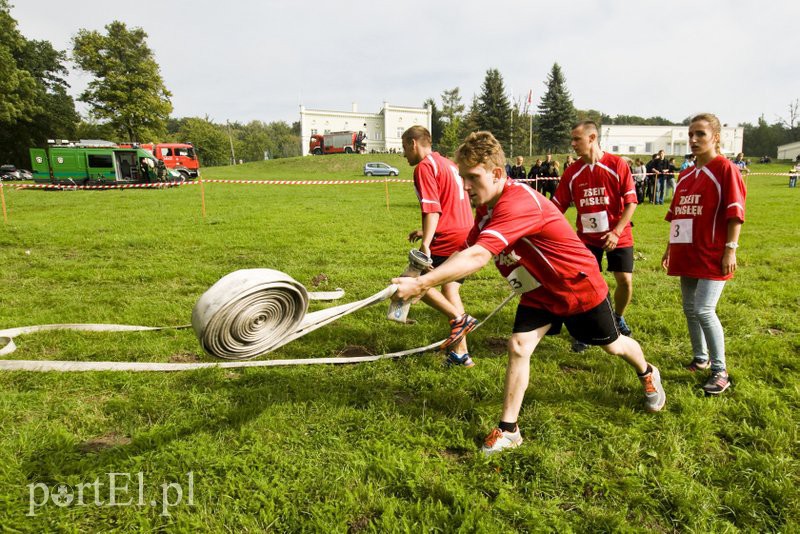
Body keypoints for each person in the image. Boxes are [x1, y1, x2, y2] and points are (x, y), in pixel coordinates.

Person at [392, 131, 666, 455]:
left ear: (496, 173)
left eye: (473, 177)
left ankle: (648, 372)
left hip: (577, 288)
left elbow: (479, 256)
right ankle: (509, 429)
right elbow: (466, 250)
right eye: (463, 177)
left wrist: (423, 285)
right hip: (539, 289)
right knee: (519, 345)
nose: (465, 187)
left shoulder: (518, 201)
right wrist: (422, 275)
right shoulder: (486, 211)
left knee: (613, 346)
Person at [662, 113, 746, 395]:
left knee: (704, 310)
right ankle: (700, 359)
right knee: (689, 309)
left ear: (716, 137)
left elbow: (735, 213)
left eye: (700, 134)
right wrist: (669, 249)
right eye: (691, 134)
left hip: (713, 254)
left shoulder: (725, 169)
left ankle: (720, 371)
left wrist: (730, 249)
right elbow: (677, 215)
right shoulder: (685, 173)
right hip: (687, 252)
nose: (694, 140)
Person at [553, 120, 638, 350]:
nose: (572, 144)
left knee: (624, 281)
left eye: (576, 139)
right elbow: (556, 206)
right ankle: (586, 331)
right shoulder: (572, 172)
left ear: (592, 138)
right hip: (587, 238)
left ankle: (618, 316)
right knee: (585, 284)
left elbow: (631, 202)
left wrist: (617, 231)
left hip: (618, 234)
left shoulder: (617, 164)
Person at [401, 126, 478, 367]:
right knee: (450, 291)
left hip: (448, 239)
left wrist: (426, 243)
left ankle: (459, 318)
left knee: (413, 283)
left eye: (404, 147)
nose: (404, 154)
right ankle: (461, 355)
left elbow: (433, 208)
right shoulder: (448, 164)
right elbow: (450, 202)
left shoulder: (424, 167)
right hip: (467, 233)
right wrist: (426, 231)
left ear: (414, 144)